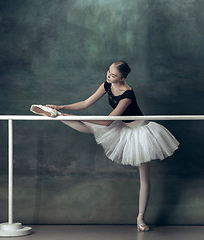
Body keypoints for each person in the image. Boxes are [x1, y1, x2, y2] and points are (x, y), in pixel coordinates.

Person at [30, 61, 179, 231]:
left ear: (122, 78)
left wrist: (75, 116)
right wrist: (60, 106)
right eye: (108, 72)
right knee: (88, 128)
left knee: (144, 178)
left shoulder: (127, 95)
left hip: (140, 131)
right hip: (122, 126)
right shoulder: (107, 84)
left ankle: (140, 218)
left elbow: (107, 122)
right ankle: (58, 114)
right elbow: (86, 103)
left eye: (113, 75)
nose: (108, 76)